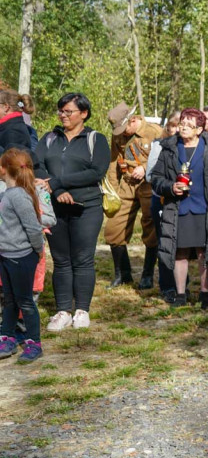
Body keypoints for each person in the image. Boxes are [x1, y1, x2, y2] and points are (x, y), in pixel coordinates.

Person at [36, 93, 111, 332]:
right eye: (61, 111)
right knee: (61, 260)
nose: (63, 115)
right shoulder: (49, 138)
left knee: (83, 259)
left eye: (68, 111)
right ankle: (63, 310)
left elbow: (95, 172)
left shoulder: (95, 139)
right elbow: (37, 166)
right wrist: (57, 190)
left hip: (86, 207)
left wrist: (58, 181)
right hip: (54, 207)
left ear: (84, 114)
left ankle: (82, 310)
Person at [150, 108, 208, 309]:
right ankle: (180, 294)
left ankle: (204, 292)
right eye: (182, 124)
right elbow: (156, 179)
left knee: (205, 253)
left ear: (199, 129)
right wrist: (171, 187)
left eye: (189, 125)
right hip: (178, 209)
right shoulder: (168, 148)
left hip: (205, 209)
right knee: (180, 253)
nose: (183, 128)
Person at [104, 103, 163, 289]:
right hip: (126, 186)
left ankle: (147, 274)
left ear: (133, 119)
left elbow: (165, 159)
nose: (123, 132)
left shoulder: (155, 132)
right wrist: (112, 191)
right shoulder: (118, 135)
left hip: (149, 186)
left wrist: (145, 168)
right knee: (114, 228)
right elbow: (113, 164)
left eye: (124, 127)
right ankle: (123, 274)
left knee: (150, 229)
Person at [0, 149, 46, 363]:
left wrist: (37, 251)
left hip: (22, 257)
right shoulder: (6, 195)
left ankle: (33, 343)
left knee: (25, 302)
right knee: (9, 301)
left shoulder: (18, 195)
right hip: (6, 255)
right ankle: (7, 339)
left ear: (3, 169)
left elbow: (34, 228)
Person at [146, 112, 181, 302]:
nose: (175, 130)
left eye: (179, 126)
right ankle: (167, 285)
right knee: (165, 243)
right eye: (172, 127)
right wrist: (171, 184)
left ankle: (181, 282)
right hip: (161, 199)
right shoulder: (158, 145)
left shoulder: (187, 147)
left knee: (181, 245)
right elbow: (150, 176)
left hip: (182, 201)